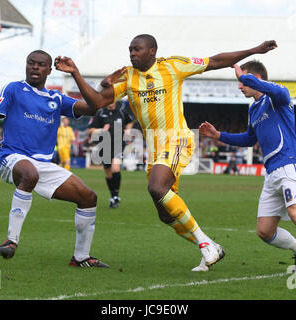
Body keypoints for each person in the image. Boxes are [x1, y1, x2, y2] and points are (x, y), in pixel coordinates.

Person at [55, 34, 278, 271]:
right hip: (155, 148)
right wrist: (76, 74)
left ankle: (205, 245)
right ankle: (211, 245)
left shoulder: (172, 66)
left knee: (156, 187)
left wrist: (254, 50)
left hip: (177, 139)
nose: (132, 53)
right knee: (164, 213)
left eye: (137, 49)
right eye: (130, 49)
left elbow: (214, 61)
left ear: (152, 51)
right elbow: (97, 103)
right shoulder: (127, 77)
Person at [0, 50, 109, 268]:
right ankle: (11, 240)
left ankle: (81, 257)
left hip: (44, 165)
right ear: (26, 65)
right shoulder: (14, 89)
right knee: (29, 173)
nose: (35, 67)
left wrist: (75, 73)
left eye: (41, 64)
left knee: (89, 198)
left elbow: (93, 107)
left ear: (49, 70)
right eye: (31, 63)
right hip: (12, 157)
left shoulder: (56, 98)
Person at [199, 60, 296, 279]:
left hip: (291, 165)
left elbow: (270, 88)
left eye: (243, 82)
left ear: (256, 79)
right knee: (264, 231)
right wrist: (219, 136)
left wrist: (242, 75)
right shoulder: (253, 108)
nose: (240, 86)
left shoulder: (278, 96)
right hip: (272, 172)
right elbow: (250, 138)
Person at [87, 101, 134, 208]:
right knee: (108, 173)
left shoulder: (121, 112)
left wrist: (128, 129)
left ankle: (116, 197)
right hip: (104, 145)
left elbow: (130, 121)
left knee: (115, 168)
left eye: (112, 100)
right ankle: (113, 196)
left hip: (118, 145)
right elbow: (90, 130)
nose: (110, 103)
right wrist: (101, 130)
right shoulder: (100, 113)